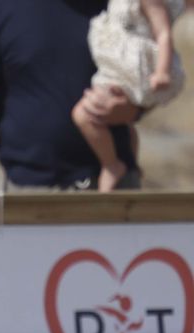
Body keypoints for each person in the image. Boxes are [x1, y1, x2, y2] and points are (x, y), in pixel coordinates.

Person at [0, 0, 146, 193]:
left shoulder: (119, 8)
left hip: (113, 185)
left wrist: (133, 110)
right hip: (31, 189)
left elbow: (151, 79)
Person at [74, 0, 185, 191]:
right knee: (125, 127)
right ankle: (130, 162)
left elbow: (164, 32)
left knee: (82, 115)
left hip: (131, 70)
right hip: (115, 67)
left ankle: (111, 165)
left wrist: (162, 71)